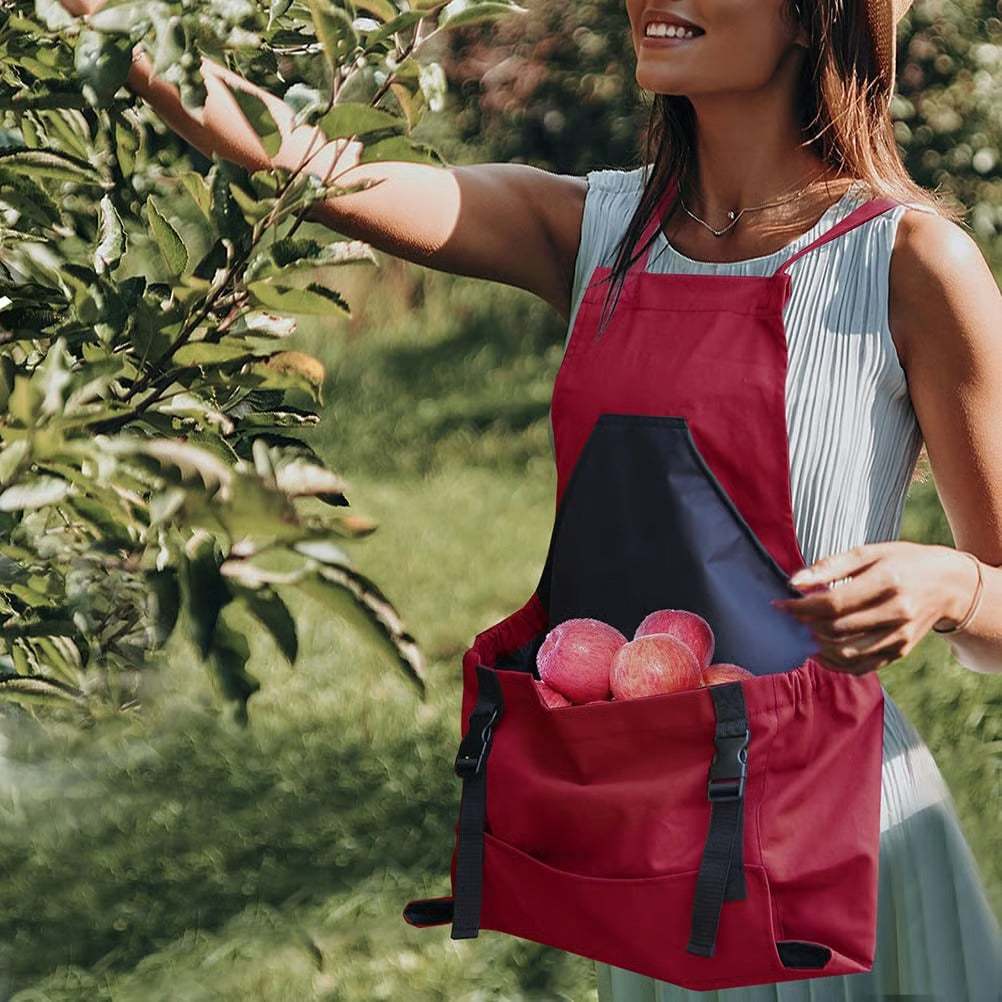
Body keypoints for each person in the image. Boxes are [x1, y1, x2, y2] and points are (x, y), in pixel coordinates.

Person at [56, 0, 1002, 998]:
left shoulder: (906, 262)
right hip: (652, 848)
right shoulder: (596, 231)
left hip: (834, 846)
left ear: (816, 19)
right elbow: (316, 165)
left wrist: (952, 589)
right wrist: (120, 25)